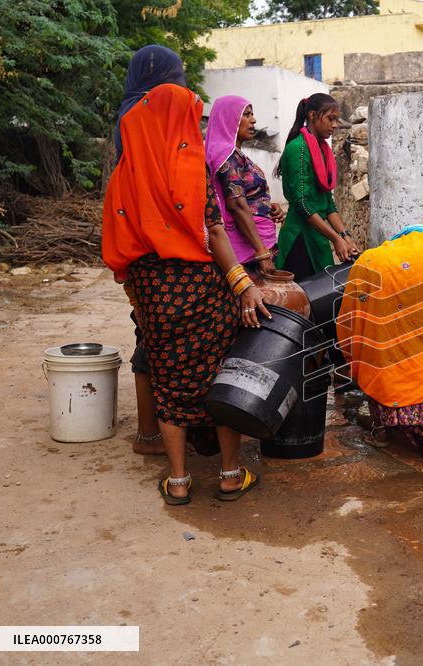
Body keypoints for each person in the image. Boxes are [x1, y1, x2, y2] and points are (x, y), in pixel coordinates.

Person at [103, 46, 269, 506]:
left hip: (153, 292)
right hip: (201, 287)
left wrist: (140, 295)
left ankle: (177, 480)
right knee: (220, 377)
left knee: (169, 379)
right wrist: (243, 284)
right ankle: (231, 473)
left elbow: (121, 235)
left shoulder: (127, 171)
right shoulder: (190, 165)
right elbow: (214, 229)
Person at [336, 225, 423, 460]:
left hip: (383, 362)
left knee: (379, 351)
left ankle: (381, 431)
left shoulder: (370, 258)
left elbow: (350, 321)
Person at [112, 44, 188, 457]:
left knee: (150, 332)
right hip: (152, 245)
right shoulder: (143, 118)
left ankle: (152, 431)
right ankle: (149, 434)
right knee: (155, 338)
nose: (180, 86)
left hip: (138, 243)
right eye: (175, 77)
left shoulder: (129, 114)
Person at [274, 93, 358, 280]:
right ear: (312, 116)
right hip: (300, 238)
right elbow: (303, 204)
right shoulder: (298, 149)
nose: (335, 125)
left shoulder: (321, 150)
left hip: (317, 235)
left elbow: (327, 203)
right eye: (330, 118)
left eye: (336, 120)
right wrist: (336, 239)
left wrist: (345, 236)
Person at [205, 96, 286, 275]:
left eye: (252, 114)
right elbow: (236, 205)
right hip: (247, 250)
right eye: (246, 114)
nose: (254, 120)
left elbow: (246, 198)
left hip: (255, 243)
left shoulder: (235, 154)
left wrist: (266, 207)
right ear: (228, 119)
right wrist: (262, 253)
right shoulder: (226, 155)